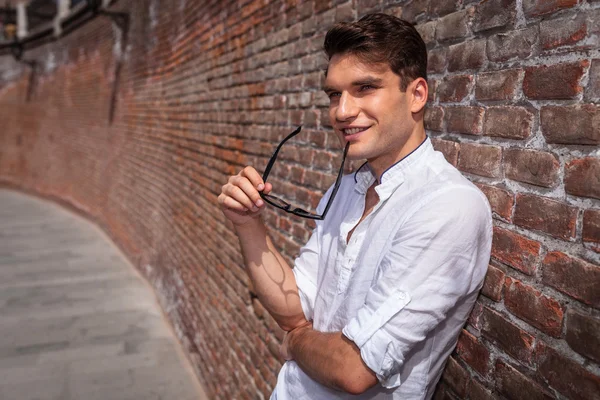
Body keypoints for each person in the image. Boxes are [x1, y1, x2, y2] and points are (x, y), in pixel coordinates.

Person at [218, 13, 492, 400]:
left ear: (416, 94)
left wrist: (295, 342)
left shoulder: (447, 206)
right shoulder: (345, 190)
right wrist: (248, 225)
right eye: (334, 94)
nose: (342, 111)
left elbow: (355, 368)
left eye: (365, 87)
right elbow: (294, 310)